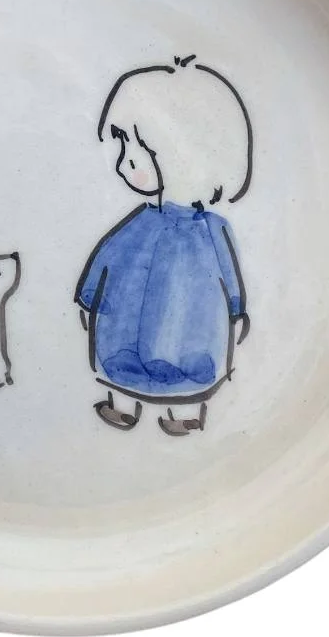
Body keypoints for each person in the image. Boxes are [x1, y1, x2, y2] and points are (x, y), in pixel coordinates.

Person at [75, 55, 253, 435]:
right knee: (124, 360)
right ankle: (124, 405)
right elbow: (107, 258)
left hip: (192, 335)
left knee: (186, 362)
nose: (123, 163)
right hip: (126, 334)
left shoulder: (212, 229)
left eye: (135, 148)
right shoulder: (140, 223)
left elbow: (230, 274)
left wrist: (237, 311)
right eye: (121, 144)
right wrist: (89, 297)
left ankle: (182, 413)